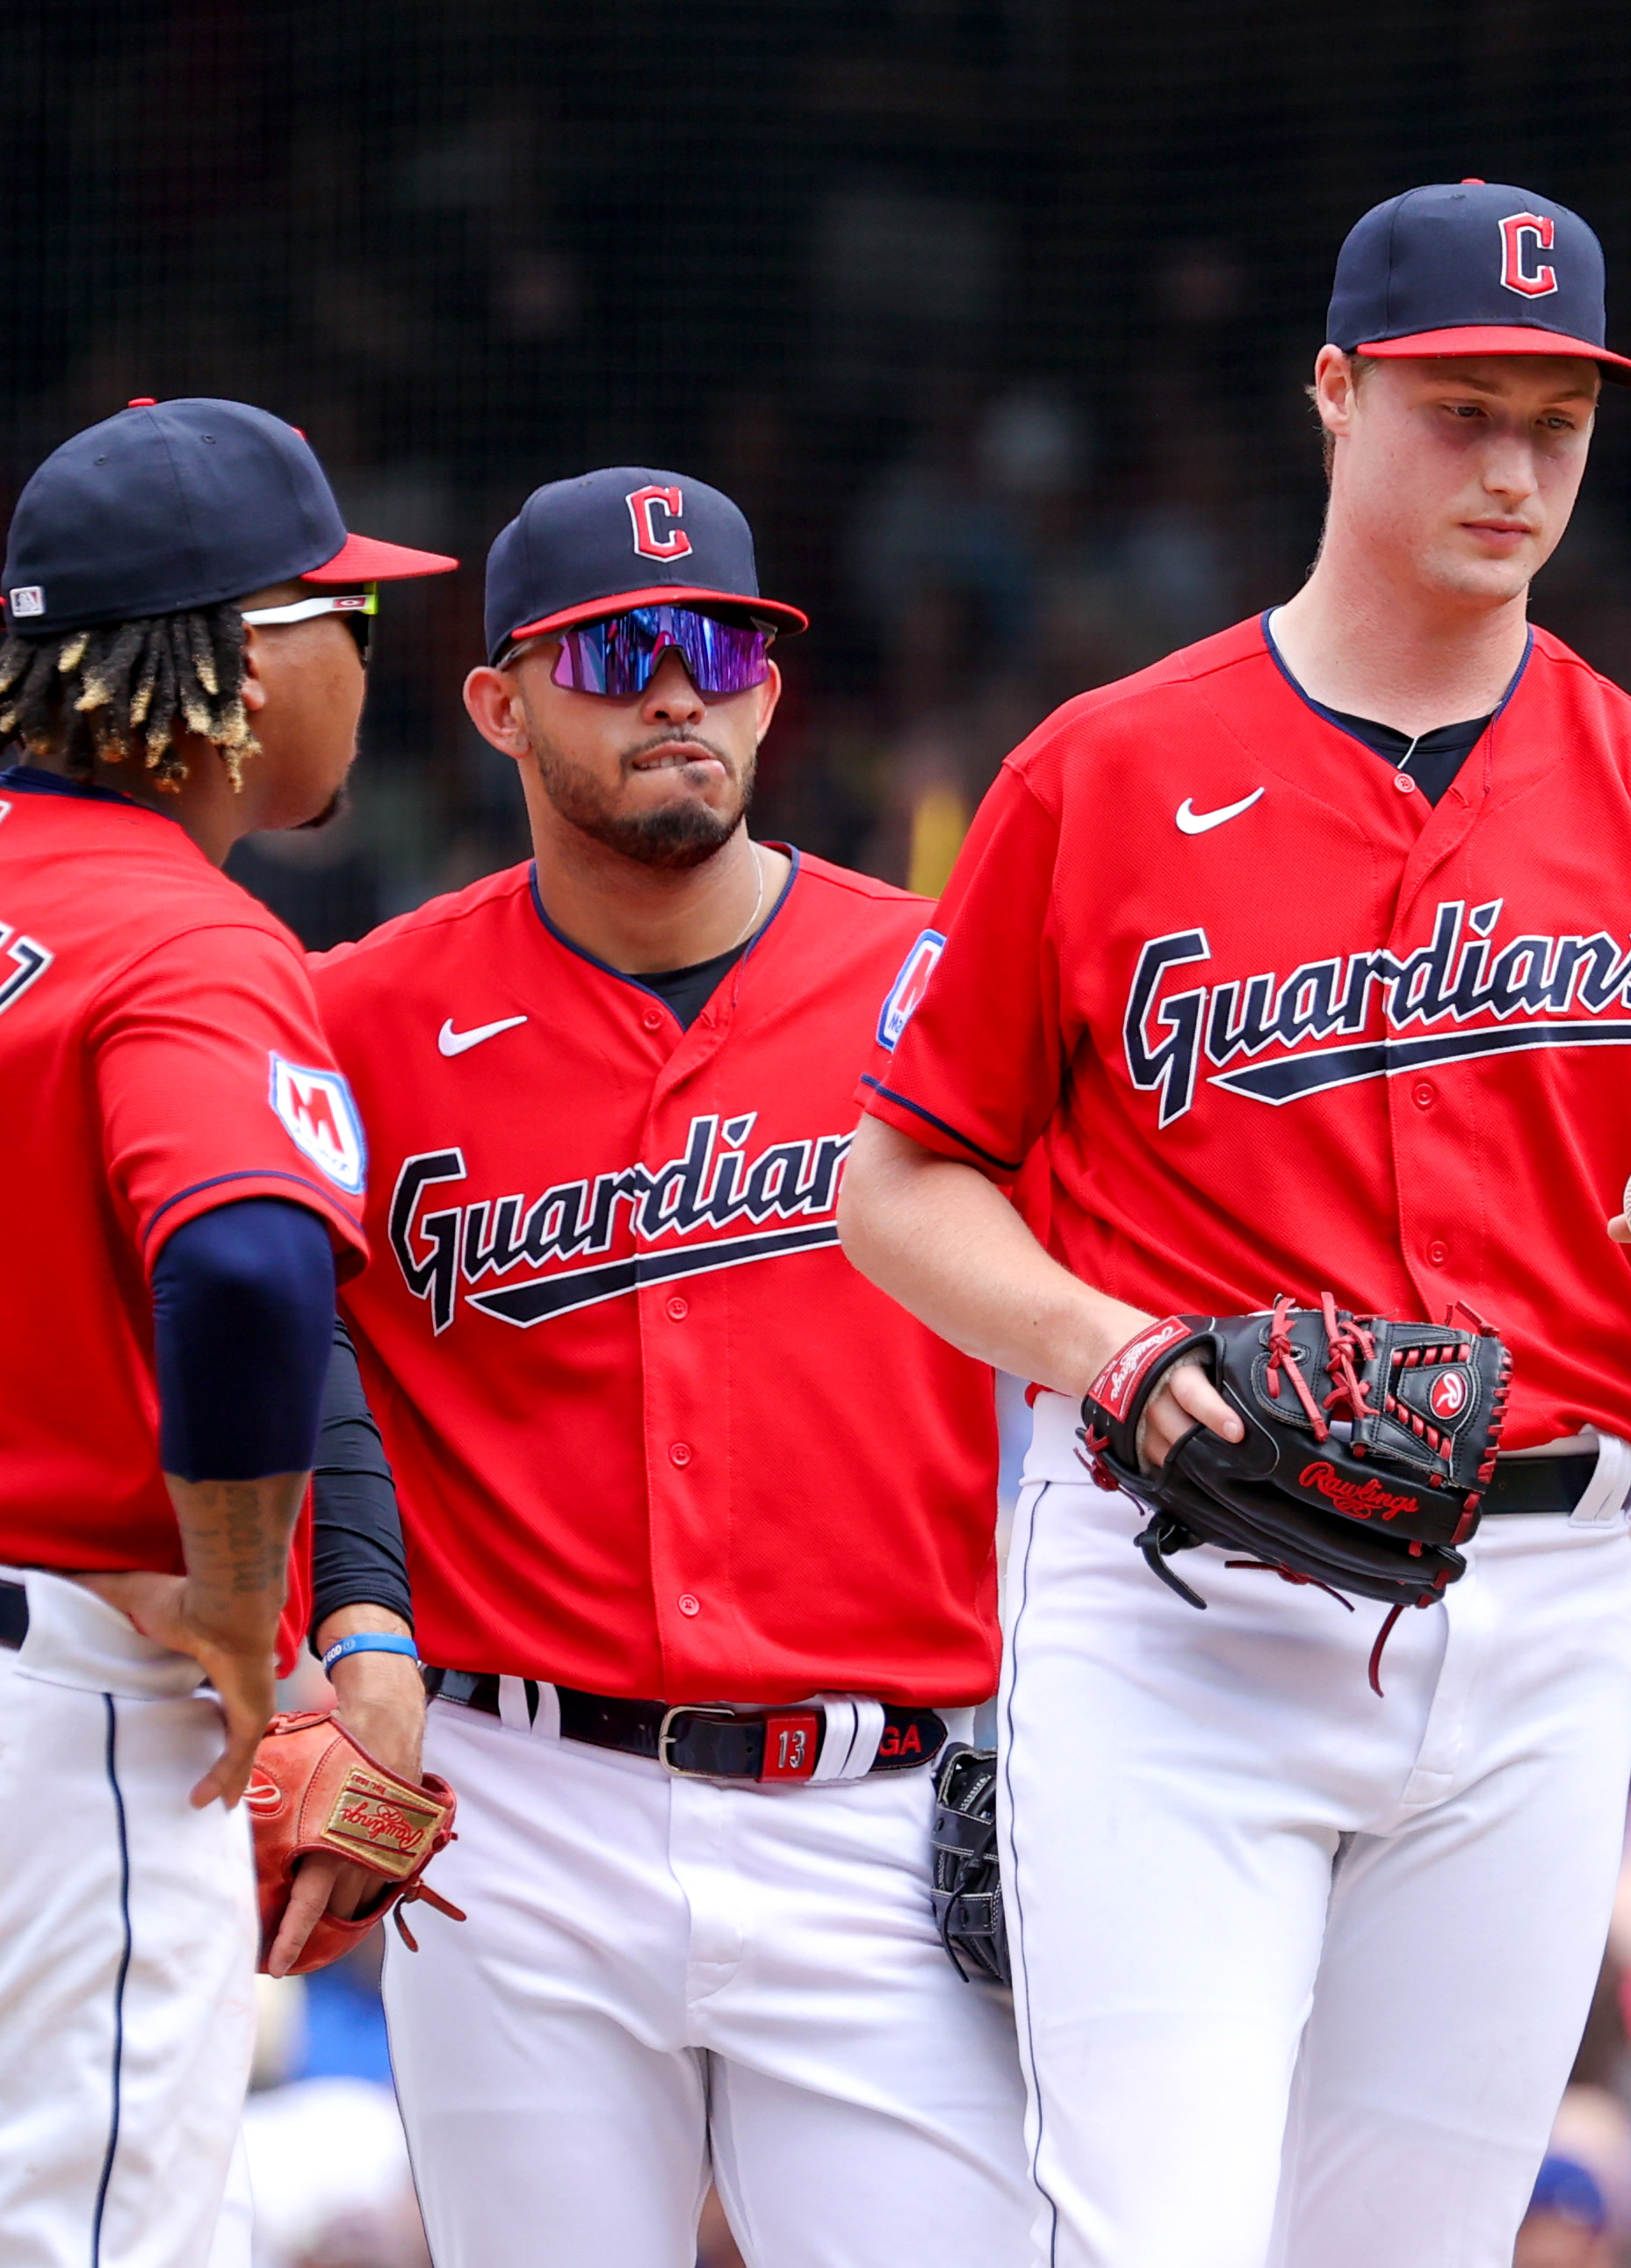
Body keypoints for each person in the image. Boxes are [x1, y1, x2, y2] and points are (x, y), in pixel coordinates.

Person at [834, 182, 1631, 2268]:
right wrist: (1109, 1349)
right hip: (1184, 1590)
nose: (1509, 471)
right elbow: (895, 1186)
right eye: (1456, 410)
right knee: (1160, 2238)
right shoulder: (1101, 772)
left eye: (1552, 426)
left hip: (1548, 1602)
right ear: (1332, 393)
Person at [308, 469, 1036, 2266]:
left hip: (876, 1803)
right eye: (620, 651)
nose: (676, 692)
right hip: (509, 1810)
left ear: (772, 691)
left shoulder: (935, 981)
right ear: (497, 703)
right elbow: (251, 1335)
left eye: (718, 647)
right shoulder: (363, 1017)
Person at [0, 399, 452, 2265]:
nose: (365, 657)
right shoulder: (182, 935)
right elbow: (252, 1263)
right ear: (246, 663)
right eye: (342, 621)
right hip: (68, 1695)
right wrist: (236, 1594)